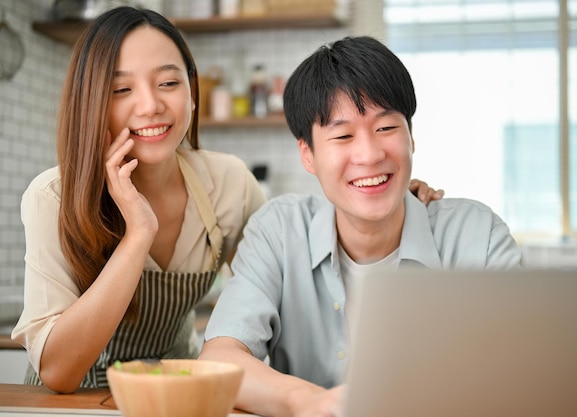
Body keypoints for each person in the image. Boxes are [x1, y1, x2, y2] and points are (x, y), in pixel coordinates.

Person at [11, 7, 441, 393]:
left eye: (168, 82)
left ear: (192, 93)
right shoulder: (53, 197)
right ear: (91, 103)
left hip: (176, 397)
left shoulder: (228, 183)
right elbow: (58, 373)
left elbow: (290, 255)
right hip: (72, 405)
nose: (150, 105)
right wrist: (139, 233)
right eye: (121, 90)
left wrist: (388, 195)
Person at [199, 36, 522, 417]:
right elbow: (219, 360)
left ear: (411, 137)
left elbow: (520, 376)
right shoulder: (279, 232)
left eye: (386, 128)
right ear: (308, 154)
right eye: (343, 135)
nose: (369, 155)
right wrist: (311, 401)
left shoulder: (477, 237)